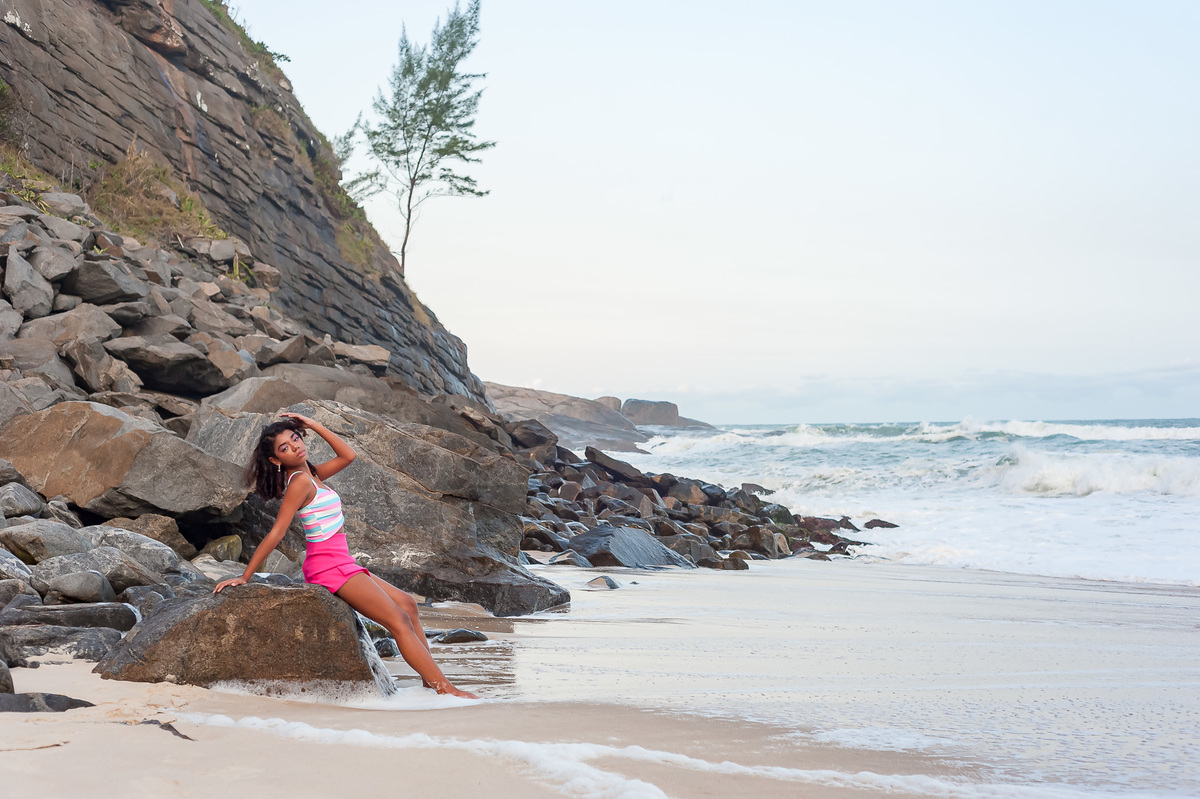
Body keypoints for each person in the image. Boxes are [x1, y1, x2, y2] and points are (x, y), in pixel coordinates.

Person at [214, 411, 478, 699]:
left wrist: (313, 424)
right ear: (276, 460)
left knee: (408, 606)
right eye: (285, 448)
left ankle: (431, 682)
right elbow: (277, 532)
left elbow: (348, 455)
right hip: (328, 567)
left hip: (342, 562)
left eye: (296, 438)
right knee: (398, 619)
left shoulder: (311, 475)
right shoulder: (300, 483)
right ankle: (446, 690)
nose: (296, 446)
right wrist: (245, 576)